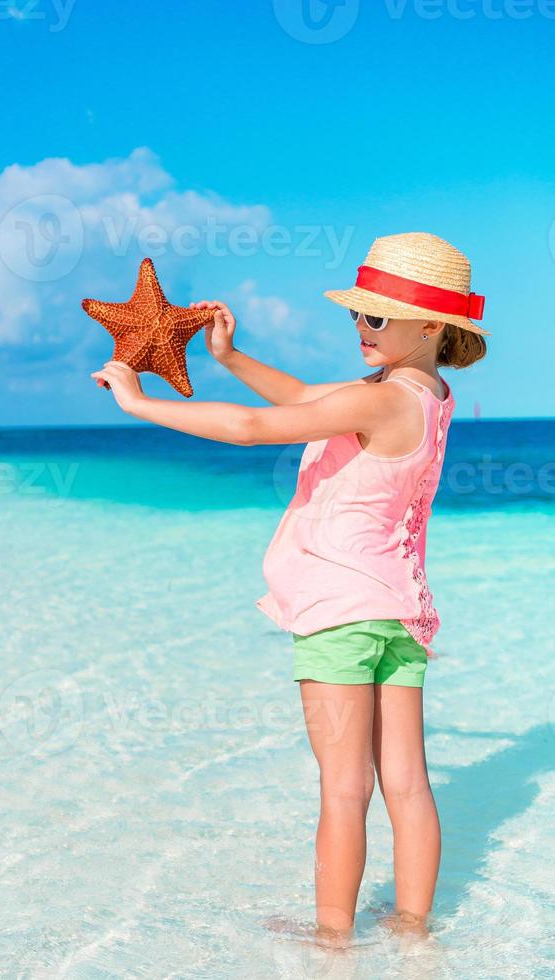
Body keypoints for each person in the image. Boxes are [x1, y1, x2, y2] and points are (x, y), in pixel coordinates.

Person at [91, 231, 490, 943]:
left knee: (343, 788)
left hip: (340, 613)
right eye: (356, 315)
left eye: (375, 316)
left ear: (429, 325)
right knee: (407, 783)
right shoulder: (427, 394)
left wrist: (140, 403)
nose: (360, 328)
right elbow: (306, 396)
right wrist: (230, 358)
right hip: (401, 612)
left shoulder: (380, 402)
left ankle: (332, 940)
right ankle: (413, 929)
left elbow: (252, 428)